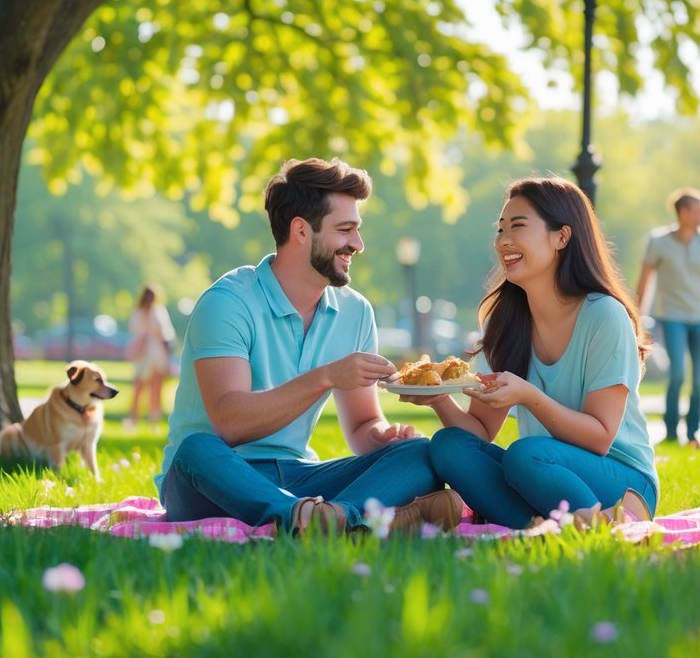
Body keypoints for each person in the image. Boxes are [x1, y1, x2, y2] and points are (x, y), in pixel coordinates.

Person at [154, 157, 462, 535]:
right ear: (300, 230)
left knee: (418, 454)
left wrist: (381, 436)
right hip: (214, 478)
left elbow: (363, 422)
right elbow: (230, 424)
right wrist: (328, 377)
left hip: (300, 479)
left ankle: (330, 521)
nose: (358, 244)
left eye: (357, 229)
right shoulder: (227, 302)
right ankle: (356, 520)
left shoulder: (355, 312)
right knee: (196, 449)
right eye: (345, 229)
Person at [414, 176, 659, 530]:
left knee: (526, 455)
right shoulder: (505, 323)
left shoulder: (604, 315)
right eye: (500, 230)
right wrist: (438, 399)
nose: (504, 241)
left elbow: (601, 437)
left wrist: (529, 397)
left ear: (561, 237)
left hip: (620, 480)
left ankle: (615, 520)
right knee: (449, 446)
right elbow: (480, 430)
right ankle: (551, 528)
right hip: (540, 470)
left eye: (517, 227)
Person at [635, 187, 700, 447]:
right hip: (671, 316)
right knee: (678, 374)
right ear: (684, 212)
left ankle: (693, 433)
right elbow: (645, 279)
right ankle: (671, 431)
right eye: (699, 209)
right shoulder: (658, 240)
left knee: (698, 378)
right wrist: (636, 317)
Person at [125, 285, 177, 428]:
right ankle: (143, 418)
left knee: (147, 387)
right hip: (150, 351)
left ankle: (144, 418)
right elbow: (165, 334)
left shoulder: (146, 312)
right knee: (147, 387)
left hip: (149, 352)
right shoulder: (151, 312)